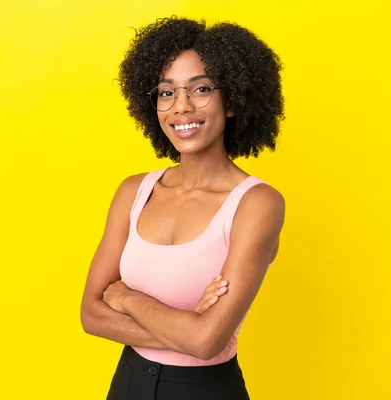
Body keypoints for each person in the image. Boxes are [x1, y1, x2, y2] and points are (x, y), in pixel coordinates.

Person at [80, 16, 285, 400]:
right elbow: (90, 315)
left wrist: (126, 298)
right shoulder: (133, 191)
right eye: (166, 92)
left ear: (233, 101)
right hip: (128, 383)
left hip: (204, 390)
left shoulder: (257, 204)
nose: (181, 107)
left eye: (201, 89)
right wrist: (186, 330)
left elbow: (207, 342)